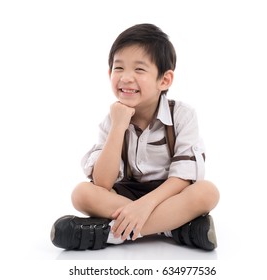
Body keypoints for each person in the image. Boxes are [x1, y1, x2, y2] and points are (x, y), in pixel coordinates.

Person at [50, 23, 220, 251]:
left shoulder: (182, 115)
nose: (126, 78)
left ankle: (112, 234)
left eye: (139, 70)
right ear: (109, 73)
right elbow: (103, 182)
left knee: (206, 193)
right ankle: (172, 227)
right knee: (82, 194)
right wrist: (119, 126)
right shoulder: (112, 119)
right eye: (119, 68)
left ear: (165, 80)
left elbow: (184, 177)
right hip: (125, 193)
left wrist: (145, 206)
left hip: (168, 193)